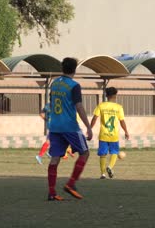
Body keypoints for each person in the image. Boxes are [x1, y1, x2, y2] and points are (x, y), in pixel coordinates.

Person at [46, 57, 93, 201]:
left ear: (63, 68)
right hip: (70, 126)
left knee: (55, 158)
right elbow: (79, 106)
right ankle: (71, 184)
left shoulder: (54, 84)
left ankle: (52, 192)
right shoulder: (74, 85)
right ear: (75, 69)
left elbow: (52, 102)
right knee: (85, 153)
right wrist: (88, 127)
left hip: (55, 126)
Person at [90, 87, 130, 179]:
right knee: (114, 152)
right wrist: (126, 131)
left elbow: (94, 118)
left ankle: (103, 174)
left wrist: (90, 128)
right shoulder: (119, 107)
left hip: (103, 135)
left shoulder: (101, 106)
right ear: (115, 96)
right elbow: (122, 121)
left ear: (106, 95)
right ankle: (110, 167)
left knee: (102, 155)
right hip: (114, 135)